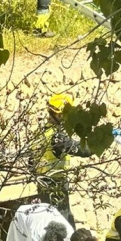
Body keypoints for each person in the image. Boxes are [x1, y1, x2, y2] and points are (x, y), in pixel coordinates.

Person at [36, 93, 91, 225]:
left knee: (57, 222)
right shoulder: (57, 138)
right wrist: (101, 141)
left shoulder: (43, 132)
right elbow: (82, 150)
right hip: (55, 185)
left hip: (43, 184)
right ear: (59, 115)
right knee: (63, 223)